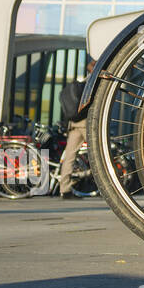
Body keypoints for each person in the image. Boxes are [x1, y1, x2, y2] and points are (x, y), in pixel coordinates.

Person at [57, 56, 94, 199]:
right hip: (85, 123)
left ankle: (64, 189)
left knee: (70, 157)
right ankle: (109, 186)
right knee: (98, 154)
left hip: (74, 123)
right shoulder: (93, 82)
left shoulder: (83, 81)